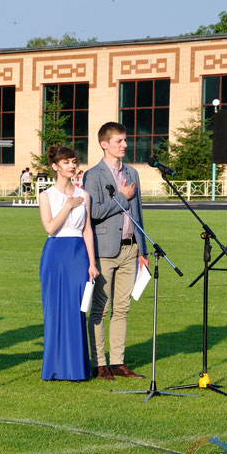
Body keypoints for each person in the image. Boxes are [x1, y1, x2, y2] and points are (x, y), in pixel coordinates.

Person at [83, 122, 149, 381]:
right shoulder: (93, 175)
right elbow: (94, 212)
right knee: (100, 308)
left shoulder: (132, 172)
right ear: (104, 144)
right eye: (119, 141)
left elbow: (138, 212)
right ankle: (99, 364)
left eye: (125, 140)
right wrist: (122, 196)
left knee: (122, 308)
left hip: (131, 249)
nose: (125, 145)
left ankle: (118, 362)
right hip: (104, 251)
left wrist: (142, 249)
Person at [38, 145, 99, 381]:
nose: (71, 166)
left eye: (74, 161)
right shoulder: (46, 196)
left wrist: (92, 263)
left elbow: (87, 230)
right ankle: (54, 368)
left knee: (76, 309)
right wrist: (67, 206)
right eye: (66, 162)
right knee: (54, 310)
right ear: (55, 166)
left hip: (78, 255)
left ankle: (76, 368)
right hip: (55, 254)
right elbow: (50, 227)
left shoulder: (85, 195)